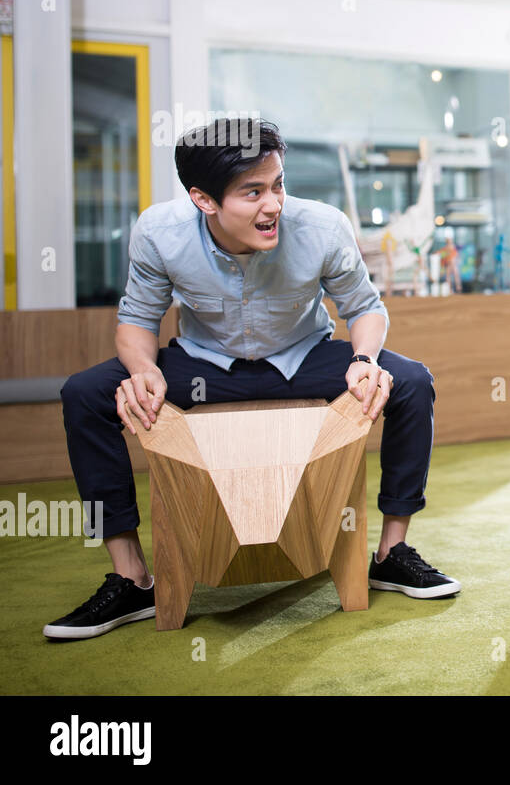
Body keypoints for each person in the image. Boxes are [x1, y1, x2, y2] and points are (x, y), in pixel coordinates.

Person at [46, 119, 459, 640]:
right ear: (204, 200)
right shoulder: (158, 232)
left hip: (304, 360)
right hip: (203, 367)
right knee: (84, 394)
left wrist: (365, 360)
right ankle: (132, 579)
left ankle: (391, 553)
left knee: (413, 381)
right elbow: (136, 322)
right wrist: (144, 371)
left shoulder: (323, 227)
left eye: (279, 184)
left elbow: (366, 309)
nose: (275, 204)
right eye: (253, 192)